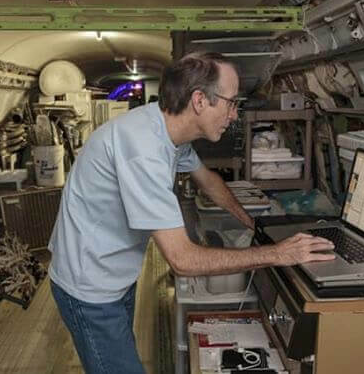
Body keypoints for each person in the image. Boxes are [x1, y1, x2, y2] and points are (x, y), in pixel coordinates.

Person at [47, 52, 335, 374]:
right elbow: (183, 261)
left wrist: (254, 222)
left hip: (114, 274)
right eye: (231, 102)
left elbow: (209, 181)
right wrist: (277, 254)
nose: (234, 115)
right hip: (89, 288)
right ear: (200, 100)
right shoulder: (144, 151)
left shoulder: (168, 130)